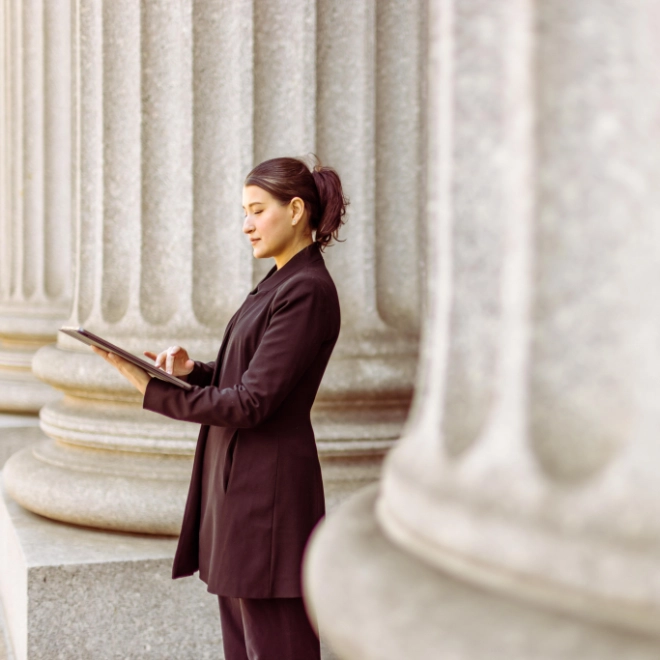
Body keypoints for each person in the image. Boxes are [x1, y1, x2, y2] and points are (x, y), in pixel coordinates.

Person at [92, 156, 347, 660]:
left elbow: (254, 403)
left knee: (279, 647)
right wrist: (193, 372)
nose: (246, 224)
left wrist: (154, 390)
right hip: (241, 496)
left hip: (268, 502)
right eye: (243, 212)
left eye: (256, 210)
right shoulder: (279, 282)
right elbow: (252, 377)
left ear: (296, 210)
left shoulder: (307, 290)